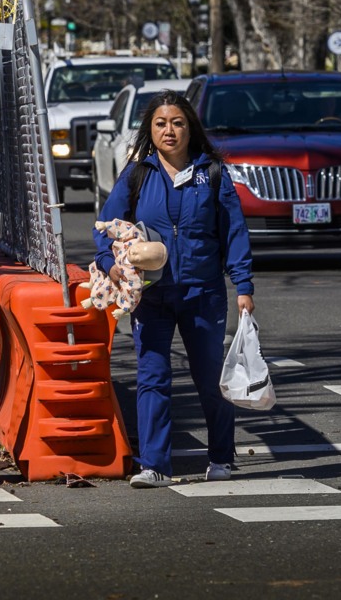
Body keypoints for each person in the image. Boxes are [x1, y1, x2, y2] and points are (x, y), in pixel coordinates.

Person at [92, 90, 255, 488]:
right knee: (152, 376)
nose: (170, 130)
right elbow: (105, 227)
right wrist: (110, 265)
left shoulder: (212, 173)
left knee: (209, 377)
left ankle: (221, 457)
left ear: (190, 128)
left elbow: (234, 232)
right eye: (161, 123)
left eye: (178, 123)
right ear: (151, 129)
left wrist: (244, 285)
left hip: (203, 292)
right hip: (152, 295)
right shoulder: (138, 175)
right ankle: (155, 465)